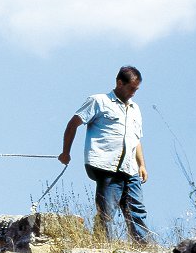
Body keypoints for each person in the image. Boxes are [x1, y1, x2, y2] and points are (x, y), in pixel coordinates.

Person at [58, 66, 150, 243]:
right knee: (107, 212)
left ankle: (143, 247)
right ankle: (102, 246)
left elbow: (136, 139)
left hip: (130, 168)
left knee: (137, 211)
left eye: (136, 90)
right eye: (131, 88)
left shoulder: (135, 109)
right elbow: (73, 124)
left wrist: (142, 165)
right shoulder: (98, 101)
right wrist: (65, 152)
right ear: (119, 83)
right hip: (107, 165)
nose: (133, 93)